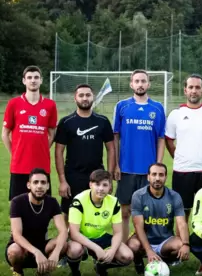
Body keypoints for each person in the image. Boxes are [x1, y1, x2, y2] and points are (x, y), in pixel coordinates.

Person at [113, 69, 166, 241]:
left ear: (148, 84)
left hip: (148, 171)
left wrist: (158, 166)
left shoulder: (157, 108)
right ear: (131, 84)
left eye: (143, 81)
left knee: (148, 210)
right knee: (125, 211)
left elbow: (160, 138)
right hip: (127, 168)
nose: (140, 84)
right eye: (137, 81)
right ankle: (124, 246)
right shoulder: (122, 106)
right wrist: (116, 165)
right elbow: (115, 137)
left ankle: (147, 245)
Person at [166, 74, 202, 226]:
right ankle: (182, 244)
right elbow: (169, 140)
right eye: (191, 87)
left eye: (197, 87)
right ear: (185, 90)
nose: (194, 91)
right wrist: (179, 157)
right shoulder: (175, 115)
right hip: (183, 170)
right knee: (183, 211)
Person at [55, 83, 115, 220]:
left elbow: (111, 149)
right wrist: (62, 181)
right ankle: (67, 240)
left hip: (97, 175)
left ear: (93, 97)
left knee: (95, 212)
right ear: (75, 98)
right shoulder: (66, 122)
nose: (84, 98)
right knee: (69, 212)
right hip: (73, 175)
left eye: (88, 95)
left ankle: (91, 240)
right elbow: (59, 152)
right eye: (81, 95)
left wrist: (109, 178)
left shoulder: (103, 121)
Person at [2, 66, 57, 201]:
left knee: (42, 206)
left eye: (36, 77)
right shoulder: (13, 103)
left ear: (41, 80)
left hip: (41, 165)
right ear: (24, 81)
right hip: (19, 165)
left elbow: (52, 133)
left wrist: (43, 148)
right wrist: (14, 152)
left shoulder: (50, 105)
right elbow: (4, 134)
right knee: (17, 205)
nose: (33, 80)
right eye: (30, 78)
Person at [68, 170, 134, 276]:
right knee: (75, 250)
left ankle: (101, 267)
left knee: (127, 256)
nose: (101, 188)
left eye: (105, 185)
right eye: (97, 184)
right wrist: (96, 248)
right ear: (90, 185)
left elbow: (118, 232)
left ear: (109, 187)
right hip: (81, 237)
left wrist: (112, 250)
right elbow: (74, 233)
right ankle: (75, 272)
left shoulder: (114, 202)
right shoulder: (79, 200)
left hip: (100, 236)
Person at [5, 168, 68, 276]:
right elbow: (17, 235)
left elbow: (63, 231)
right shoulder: (17, 202)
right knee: (14, 250)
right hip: (22, 247)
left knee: (63, 244)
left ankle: (43, 272)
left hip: (41, 245)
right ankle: (18, 272)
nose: (39, 186)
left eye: (43, 183)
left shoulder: (52, 202)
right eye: (35, 182)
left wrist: (56, 252)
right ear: (29, 185)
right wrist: (36, 252)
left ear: (48, 186)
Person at [127, 163, 190, 274]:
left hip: (165, 241)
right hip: (144, 240)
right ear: (148, 176)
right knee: (133, 245)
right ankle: (138, 262)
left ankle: (164, 261)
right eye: (154, 174)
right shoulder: (138, 196)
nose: (157, 178)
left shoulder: (174, 196)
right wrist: (149, 250)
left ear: (165, 177)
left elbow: (182, 223)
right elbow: (138, 226)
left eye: (161, 175)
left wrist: (185, 244)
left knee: (179, 244)